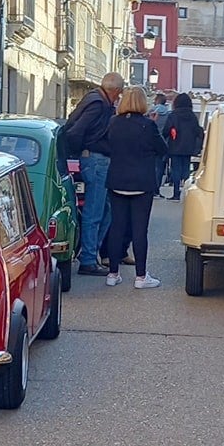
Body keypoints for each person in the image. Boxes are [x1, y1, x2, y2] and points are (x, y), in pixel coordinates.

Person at [103, 86, 167, 288]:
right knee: (140, 230)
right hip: (141, 182)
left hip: (117, 180)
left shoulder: (113, 122)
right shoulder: (147, 125)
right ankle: (140, 276)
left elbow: (107, 145)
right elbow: (162, 149)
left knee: (117, 227)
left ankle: (112, 274)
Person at [61, 72, 123, 275]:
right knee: (95, 211)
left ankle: (89, 253)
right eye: (119, 94)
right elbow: (76, 131)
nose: (119, 97)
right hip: (95, 160)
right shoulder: (99, 104)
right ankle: (88, 260)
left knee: (105, 210)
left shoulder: (94, 100)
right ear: (114, 91)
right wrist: (83, 150)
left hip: (92, 159)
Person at [163, 91, 203, 196]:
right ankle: (185, 192)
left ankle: (176, 193)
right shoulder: (193, 116)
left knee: (175, 169)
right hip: (189, 146)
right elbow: (197, 131)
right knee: (186, 169)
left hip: (175, 146)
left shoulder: (173, 115)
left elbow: (166, 131)